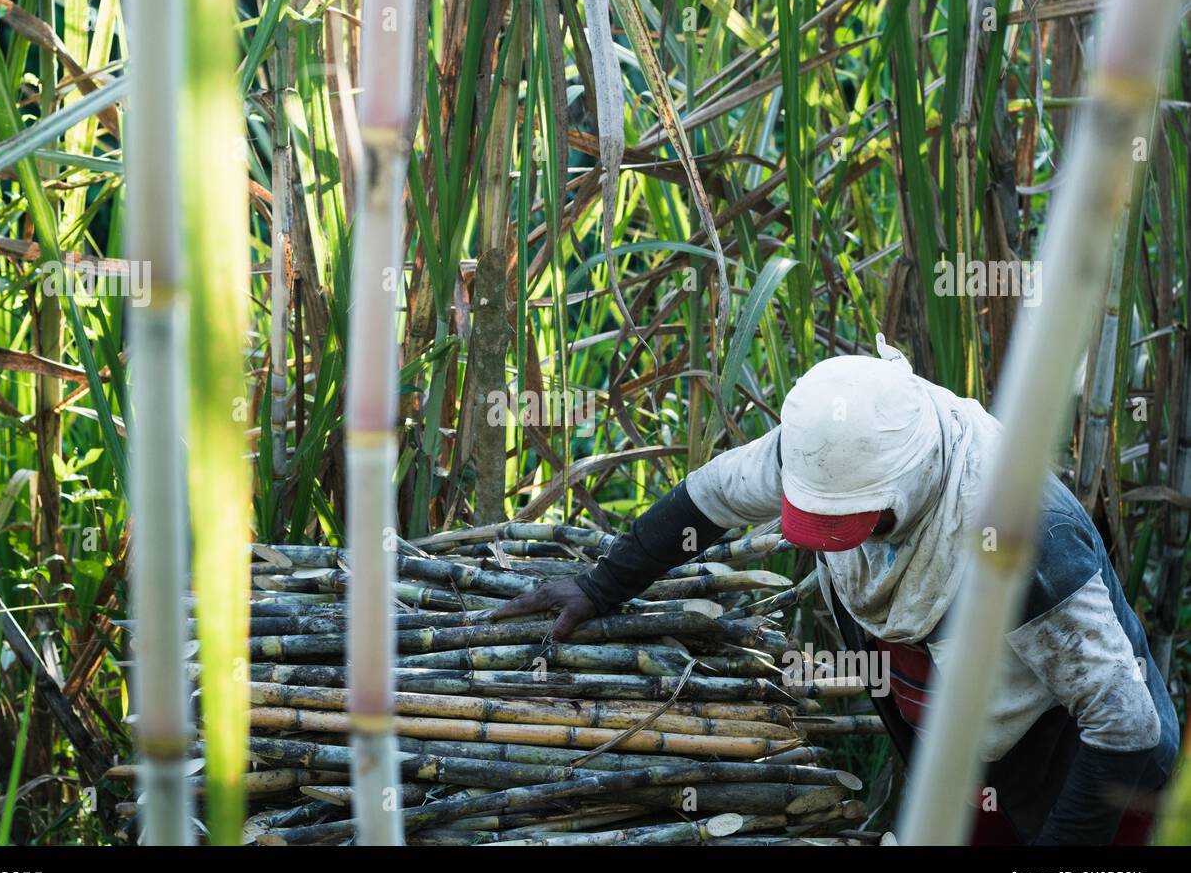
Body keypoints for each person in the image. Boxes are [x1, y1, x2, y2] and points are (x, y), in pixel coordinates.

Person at [494, 335, 1180, 845]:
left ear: (906, 487)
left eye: (850, 524)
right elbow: (707, 501)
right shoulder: (826, 447)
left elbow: (1125, 724)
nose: (834, 541)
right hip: (963, 751)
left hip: (1091, 770)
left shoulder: (1028, 531)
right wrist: (599, 588)